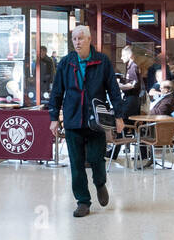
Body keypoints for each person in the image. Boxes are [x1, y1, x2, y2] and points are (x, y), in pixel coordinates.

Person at [48, 24, 124, 218]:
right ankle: (83, 201)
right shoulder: (66, 63)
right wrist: (54, 118)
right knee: (76, 162)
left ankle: (100, 183)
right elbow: (57, 92)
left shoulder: (102, 61)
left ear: (90, 39)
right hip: (73, 119)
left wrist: (118, 116)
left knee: (96, 158)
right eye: (74, 39)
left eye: (81, 38)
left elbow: (114, 90)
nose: (77, 42)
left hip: (96, 120)